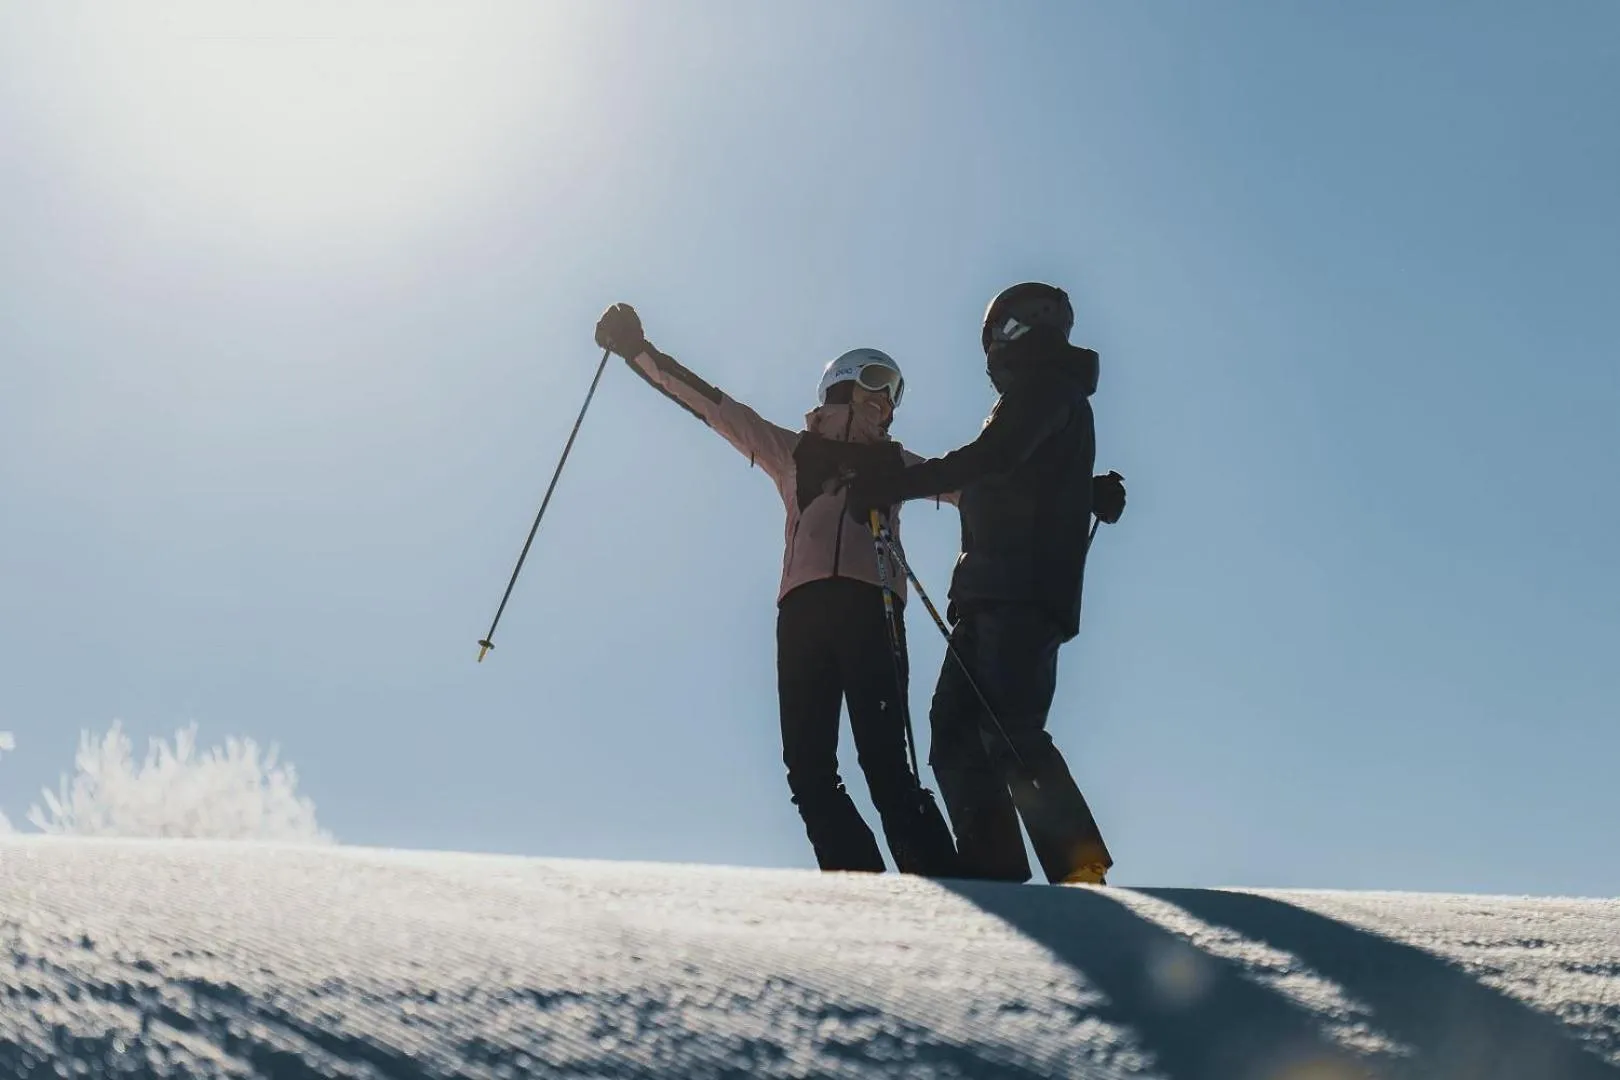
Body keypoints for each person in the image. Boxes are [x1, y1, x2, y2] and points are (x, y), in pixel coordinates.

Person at [592, 302, 958, 877]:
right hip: (803, 616)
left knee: (886, 765)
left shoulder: (899, 465)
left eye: (896, 391)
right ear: (842, 385)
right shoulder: (792, 453)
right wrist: (637, 350)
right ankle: (861, 896)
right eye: (878, 380)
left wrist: (1075, 489)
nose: (888, 399)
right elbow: (713, 406)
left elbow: (982, 482)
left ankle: (950, 885)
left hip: (872, 608)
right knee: (808, 771)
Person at [842, 281, 1127, 886]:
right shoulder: (1045, 395)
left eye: (996, 334)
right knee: (954, 735)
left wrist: (893, 486)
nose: (992, 348)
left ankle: (1078, 866)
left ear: (1021, 328)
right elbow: (1030, 478)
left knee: (1008, 730)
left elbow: (991, 459)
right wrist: (1089, 492)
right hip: (992, 590)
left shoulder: (1046, 388)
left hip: (1019, 590)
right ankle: (996, 872)